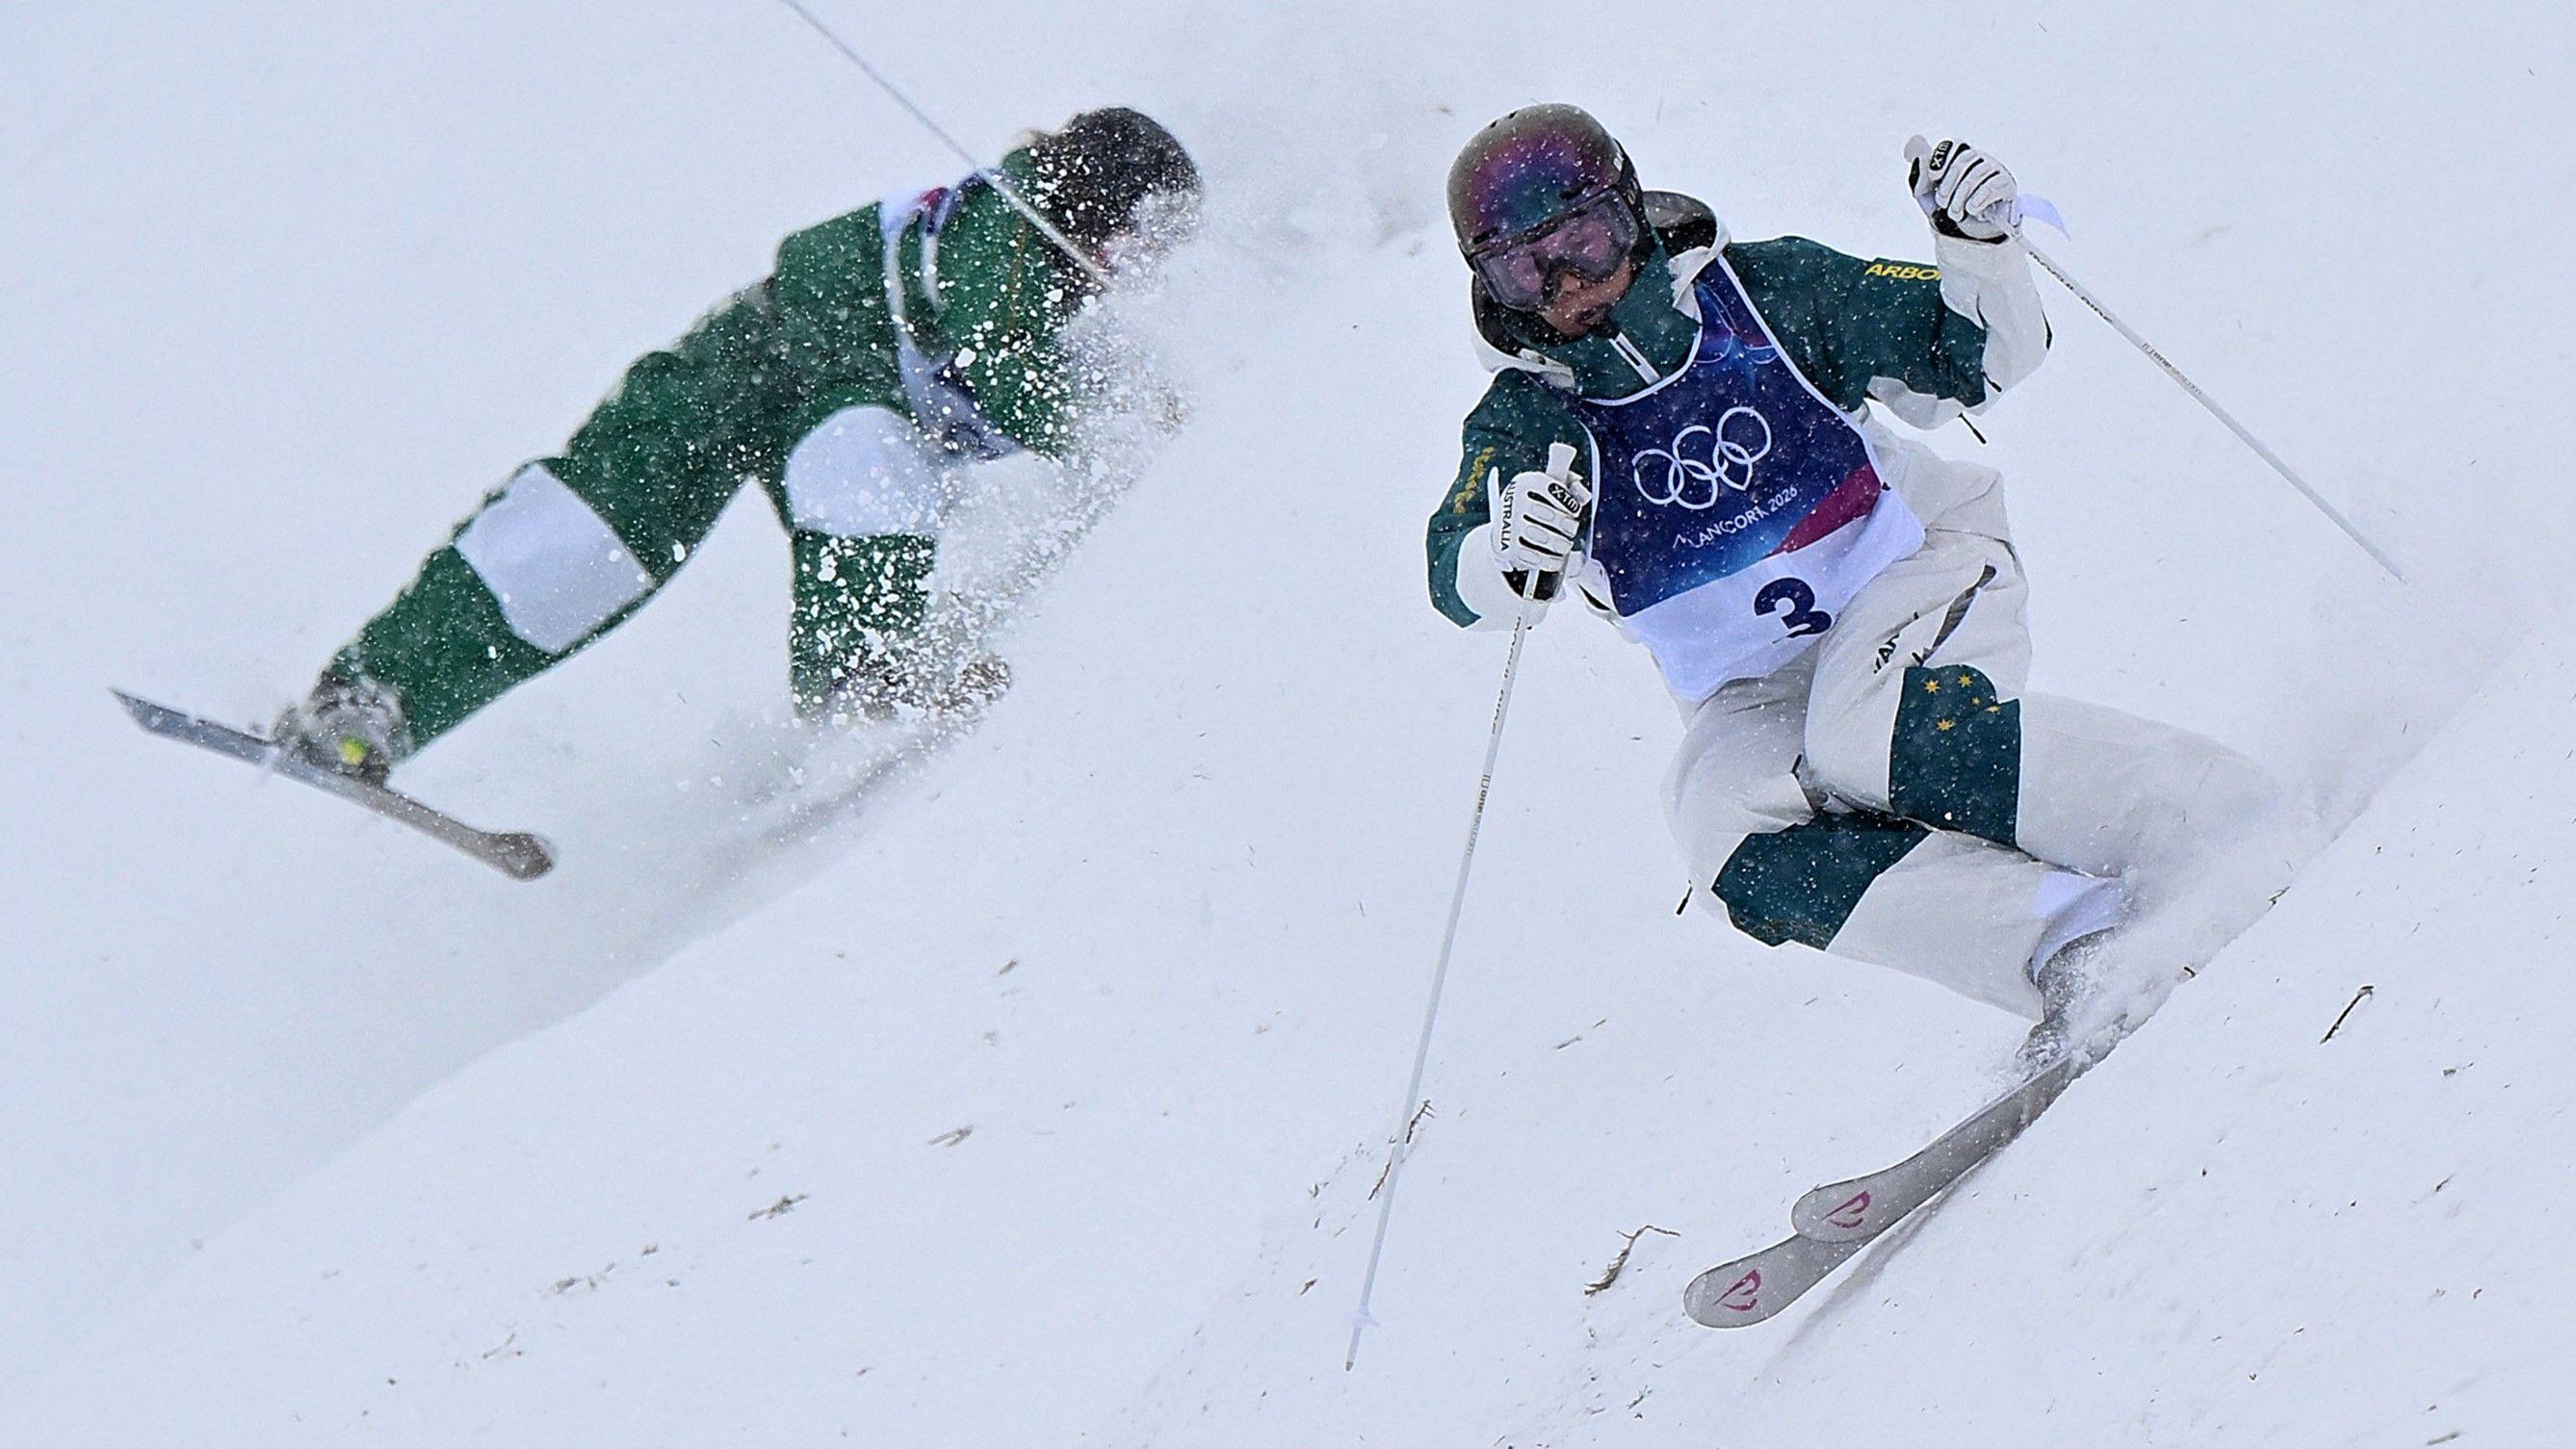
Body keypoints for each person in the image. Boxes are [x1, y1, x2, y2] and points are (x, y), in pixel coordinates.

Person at [1425, 105, 2284, 1068]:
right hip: (1752, 688)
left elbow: (1979, 356)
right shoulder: (1536, 418)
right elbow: (1462, 566)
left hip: (1911, 567)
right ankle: (2073, 939)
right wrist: (1504, 555)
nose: (1570, 284)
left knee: (1859, 726)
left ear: (1628, 211)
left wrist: (1976, 247)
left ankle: (2200, 813)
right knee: (1721, 839)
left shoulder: (1760, 298)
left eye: (1583, 240)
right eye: (1525, 269)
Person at [276, 107, 1199, 783]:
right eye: (1140, 239)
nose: (1143, 266)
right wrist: (1114, 441)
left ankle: (858, 683)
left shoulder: (1087, 302)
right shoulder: (1013, 229)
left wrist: (1170, 421)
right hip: (755, 358)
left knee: (866, 464)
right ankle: (369, 698)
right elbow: (1000, 358)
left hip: (849, 401)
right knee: (589, 531)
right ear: (1096, 205)